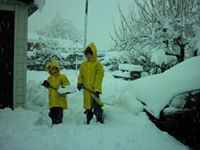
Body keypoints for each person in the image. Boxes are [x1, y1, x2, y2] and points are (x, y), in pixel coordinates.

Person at [77, 42, 105, 124]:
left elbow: (99, 77)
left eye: (90, 54)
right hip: (86, 90)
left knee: (96, 105)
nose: (88, 56)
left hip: (94, 90)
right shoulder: (83, 65)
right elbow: (81, 75)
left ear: (94, 53)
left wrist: (97, 89)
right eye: (87, 54)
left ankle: (99, 119)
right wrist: (79, 83)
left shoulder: (98, 65)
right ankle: (88, 118)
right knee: (88, 106)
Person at [42, 59, 70, 125]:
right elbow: (49, 88)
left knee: (59, 114)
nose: (54, 70)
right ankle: (53, 123)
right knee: (52, 114)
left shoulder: (62, 77)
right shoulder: (49, 78)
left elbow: (67, 84)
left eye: (55, 68)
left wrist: (63, 88)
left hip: (60, 100)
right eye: (52, 69)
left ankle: (58, 124)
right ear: (50, 71)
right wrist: (46, 85)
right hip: (52, 100)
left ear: (58, 68)